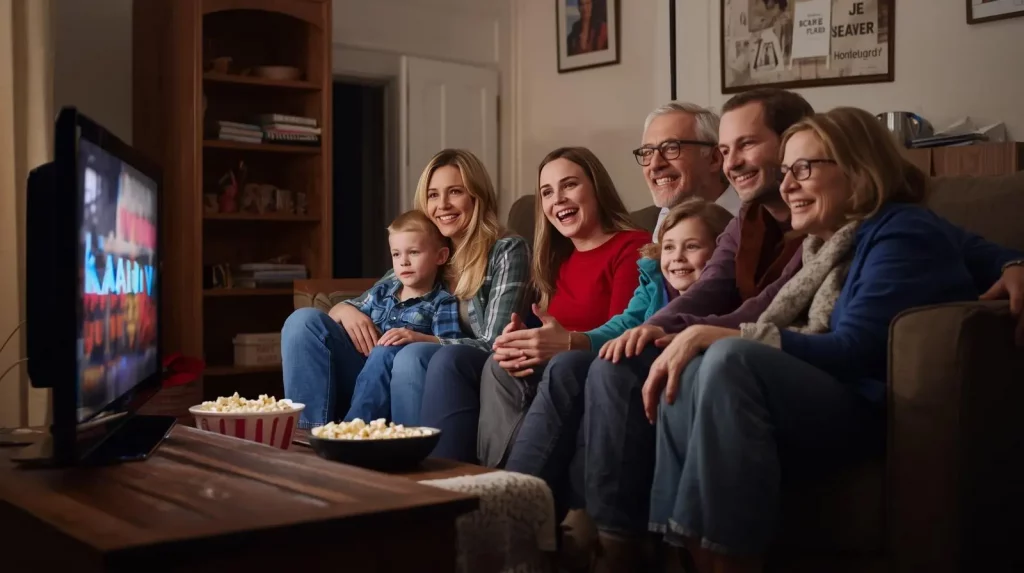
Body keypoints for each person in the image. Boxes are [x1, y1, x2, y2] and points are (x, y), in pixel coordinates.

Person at [582, 88, 1024, 570]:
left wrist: (1014, 262)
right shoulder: (819, 244)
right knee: (687, 365)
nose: (788, 184)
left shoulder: (900, 230)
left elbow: (854, 347)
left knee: (729, 358)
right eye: (787, 169)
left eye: (803, 169)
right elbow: (749, 306)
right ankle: (679, 552)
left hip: (866, 401)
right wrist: (679, 333)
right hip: (819, 383)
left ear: (856, 170)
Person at [503, 197, 733, 522]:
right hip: (626, 372)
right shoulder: (654, 284)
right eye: (669, 247)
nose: (677, 257)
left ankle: (586, 518)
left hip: (658, 381)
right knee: (568, 365)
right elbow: (624, 323)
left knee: (603, 371)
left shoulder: (727, 299)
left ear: (721, 253)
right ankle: (511, 497)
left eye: (692, 246)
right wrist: (572, 340)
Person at [419, 147, 649, 463]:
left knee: (512, 365)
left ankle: (501, 480)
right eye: (547, 192)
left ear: (597, 188)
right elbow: (541, 328)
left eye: (569, 185)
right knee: (485, 361)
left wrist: (565, 342)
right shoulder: (554, 258)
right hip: (548, 366)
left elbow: (627, 327)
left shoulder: (632, 245)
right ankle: (463, 478)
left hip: (588, 367)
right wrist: (518, 338)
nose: (558, 199)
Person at [281, 149, 529, 428]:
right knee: (302, 322)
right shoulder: (421, 248)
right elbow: (372, 298)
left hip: (442, 368)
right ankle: (309, 436)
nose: (443, 204)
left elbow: (495, 342)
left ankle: (365, 438)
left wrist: (421, 339)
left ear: (477, 196)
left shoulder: (506, 250)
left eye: (455, 192)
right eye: (433, 195)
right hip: (379, 365)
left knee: (406, 354)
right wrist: (344, 309)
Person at [340, 210, 462, 422]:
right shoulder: (381, 293)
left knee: (386, 350)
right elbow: (345, 317)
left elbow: (448, 345)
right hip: (365, 372)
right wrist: (344, 310)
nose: (403, 262)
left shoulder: (442, 302)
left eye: (413, 252)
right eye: (396, 254)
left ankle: (355, 426)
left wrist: (416, 337)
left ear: (440, 256)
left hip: (405, 379)